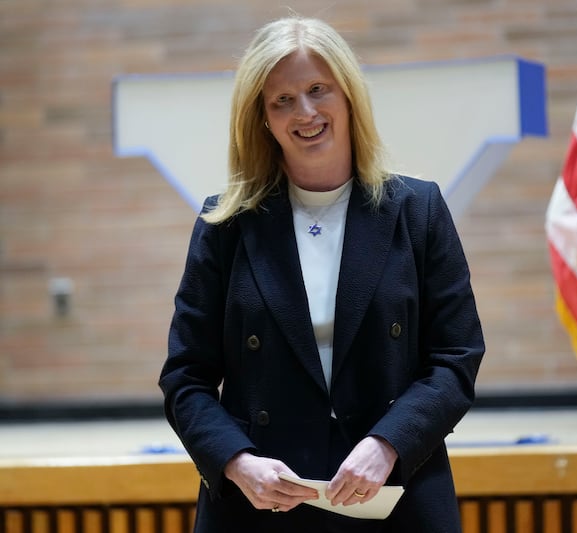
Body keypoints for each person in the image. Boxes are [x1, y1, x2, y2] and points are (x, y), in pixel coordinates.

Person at [159, 14, 485, 532]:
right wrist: (238, 463)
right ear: (262, 117)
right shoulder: (225, 223)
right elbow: (186, 377)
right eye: (282, 99)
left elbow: (455, 358)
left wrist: (388, 443)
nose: (304, 112)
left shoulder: (417, 210)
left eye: (317, 89)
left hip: (394, 493)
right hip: (262, 502)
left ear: (349, 96)